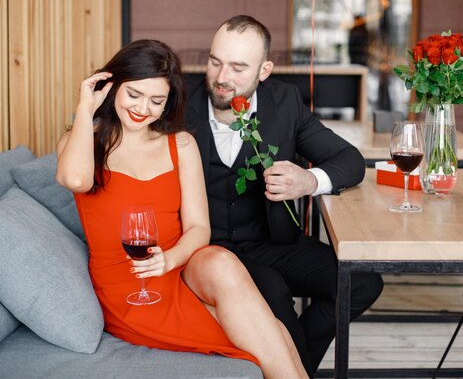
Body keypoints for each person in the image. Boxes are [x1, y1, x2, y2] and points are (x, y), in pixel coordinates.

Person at [56, 39, 309, 379]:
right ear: (111, 86)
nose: (143, 108)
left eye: (156, 100)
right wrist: (86, 108)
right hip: (132, 286)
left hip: (179, 267)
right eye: (133, 94)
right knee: (272, 333)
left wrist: (169, 259)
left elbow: (198, 229)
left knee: (222, 261)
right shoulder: (84, 142)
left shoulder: (181, 144)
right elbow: (74, 180)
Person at [185, 15, 384, 376]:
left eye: (238, 67)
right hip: (205, 251)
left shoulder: (285, 101)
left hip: (272, 242)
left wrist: (308, 181)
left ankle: (295, 365)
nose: (222, 77)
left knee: (362, 282)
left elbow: (350, 161)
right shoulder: (178, 103)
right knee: (273, 292)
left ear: (265, 70)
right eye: (215, 62)